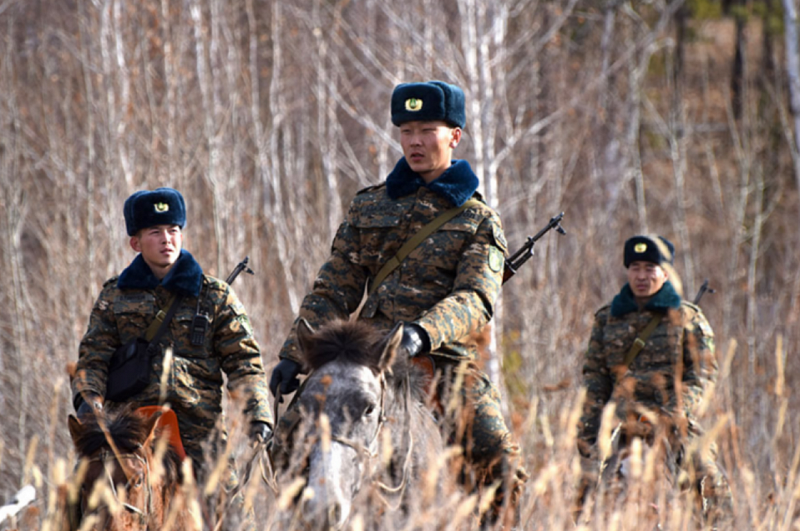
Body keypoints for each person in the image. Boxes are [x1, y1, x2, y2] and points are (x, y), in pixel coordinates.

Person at [269, 80, 526, 525]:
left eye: (427, 130)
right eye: (406, 130)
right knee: (284, 445)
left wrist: (422, 332)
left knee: (500, 462)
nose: (415, 141)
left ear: (454, 136)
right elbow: (336, 286)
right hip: (366, 354)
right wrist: (295, 355)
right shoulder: (370, 206)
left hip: (441, 362)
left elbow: (475, 298)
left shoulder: (477, 219)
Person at [71, 187, 272, 525]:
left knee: (236, 516)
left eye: (173, 230)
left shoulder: (216, 296)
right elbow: (93, 358)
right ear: (136, 242)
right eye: (155, 232)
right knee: (77, 493)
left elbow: (244, 362)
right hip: (129, 434)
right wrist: (89, 404)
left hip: (198, 432)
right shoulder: (114, 296)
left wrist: (259, 416)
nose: (167, 239)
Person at [576, 234, 732, 524]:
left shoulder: (687, 318)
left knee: (711, 482)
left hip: (674, 423)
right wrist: (589, 429)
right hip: (621, 427)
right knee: (583, 492)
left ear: (665, 272)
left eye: (650, 268)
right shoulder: (606, 319)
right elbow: (595, 379)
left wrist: (673, 413)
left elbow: (704, 375)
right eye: (635, 267)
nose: (642, 276)